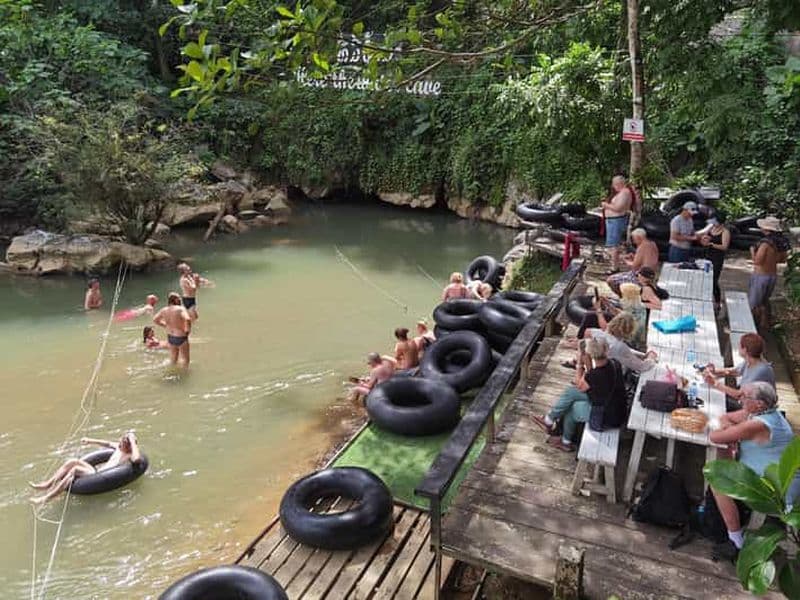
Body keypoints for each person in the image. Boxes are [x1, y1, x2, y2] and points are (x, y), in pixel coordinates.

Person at [709, 382, 800, 561]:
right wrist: (731, 429)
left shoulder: (758, 424)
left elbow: (715, 436)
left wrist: (731, 431)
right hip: (771, 478)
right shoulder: (764, 413)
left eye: (745, 396)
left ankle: (736, 541)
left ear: (759, 403)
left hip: (778, 491)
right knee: (724, 459)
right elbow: (726, 416)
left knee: (717, 482)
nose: (740, 398)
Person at [533, 337, 626, 451]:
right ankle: (556, 430)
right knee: (571, 394)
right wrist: (588, 365)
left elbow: (579, 384)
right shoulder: (613, 364)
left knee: (572, 405)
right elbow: (593, 383)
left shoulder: (595, 375)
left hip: (604, 418)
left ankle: (555, 428)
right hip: (613, 409)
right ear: (606, 350)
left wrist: (580, 364)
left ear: (590, 354)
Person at [29, 432, 142, 504]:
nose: (120, 442)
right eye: (121, 441)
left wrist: (132, 441)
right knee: (72, 462)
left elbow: (137, 460)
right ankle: (47, 485)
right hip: (97, 472)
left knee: (74, 470)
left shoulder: (129, 455)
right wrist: (90, 440)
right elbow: (107, 444)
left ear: (129, 446)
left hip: (100, 477)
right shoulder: (119, 448)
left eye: (124, 442)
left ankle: (46, 498)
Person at [703, 333, 776, 403]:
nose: (738, 347)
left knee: (711, 398)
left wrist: (714, 383)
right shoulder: (752, 360)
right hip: (746, 400)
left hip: (755, 409)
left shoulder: (760, 371)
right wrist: (714, 371)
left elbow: (740, 395)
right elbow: (734, 371)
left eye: (740, 345)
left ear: (745, 350)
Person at [749, 216, 790, 330]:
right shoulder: (781, 243)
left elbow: (757, 261)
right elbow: (782, 259)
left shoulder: (765, 243)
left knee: (753, 303)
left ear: (766, 229)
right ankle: (765, 323)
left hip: (761, 276)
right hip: (772, 275)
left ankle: (750, 326)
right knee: (764, 300)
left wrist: (752, 251)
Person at [583, 312, 657, 374]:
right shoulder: (620, 346)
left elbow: (626, 351)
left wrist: (642, 355)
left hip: (595, 369)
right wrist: (651, 357)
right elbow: (642, 367)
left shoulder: (594, 332)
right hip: (613, 375)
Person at [606, 228, 659, 295]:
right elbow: (646, 259)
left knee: (610, 280)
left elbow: (634, 266)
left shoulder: (642, 247)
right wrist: (634, 256)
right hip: (652, 275)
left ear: (639, 237)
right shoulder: (652, 244)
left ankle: (625, 298)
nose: (633, 242)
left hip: (641, 276)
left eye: (634, 239)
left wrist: (625, 260)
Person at [601, 175, 633, 272]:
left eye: (614, 184)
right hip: (613, 220)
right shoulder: (622, 192)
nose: (613, 187)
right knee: (613, 245)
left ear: (618, 184)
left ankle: (614, 268)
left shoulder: (625, 192)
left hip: (616, 220)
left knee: (614, 245)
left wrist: (605, 205)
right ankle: (615, 264)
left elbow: (618, 208)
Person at [153, 292, 192, 367]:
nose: (180, 300)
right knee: (185, 360)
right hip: (181, 336)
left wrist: (165, 326)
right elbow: (187, 319)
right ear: (175, 300)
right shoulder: (180, 309)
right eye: (179, 299)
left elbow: (155, 320)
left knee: (173, 360)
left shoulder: (164, 310)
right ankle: (184, 375)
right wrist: (187, 331)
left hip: (170, 337)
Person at [699, 217, 731, 306]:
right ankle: (706, 300)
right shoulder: (711, 228)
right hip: (707, 256)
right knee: (705, 279)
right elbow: (703, 238)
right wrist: (704, 240)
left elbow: (724, 247)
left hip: (717, 258)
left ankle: (717, 302)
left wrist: (712, 244)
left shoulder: (725, 232)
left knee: (713, 281)